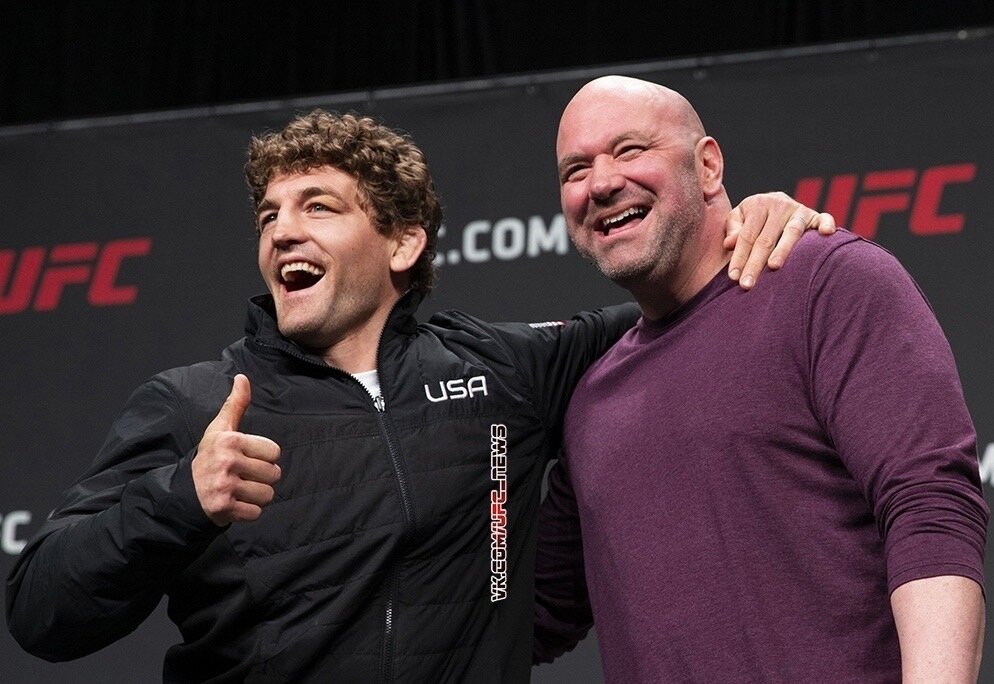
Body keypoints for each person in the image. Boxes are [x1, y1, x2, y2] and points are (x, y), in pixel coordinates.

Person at [6, 109, 831, 682]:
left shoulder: (506, 371)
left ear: (403, 244)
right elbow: (41, 613)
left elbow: (684, 295)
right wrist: (177, 499)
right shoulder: (198, 406)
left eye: (318, 207)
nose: (282, 231)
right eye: (268, 216)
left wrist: (750, 218)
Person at [532, 75, 988, 683]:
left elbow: (928, 506)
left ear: (708, 166)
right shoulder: (591, 399)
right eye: (576, 170)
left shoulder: (827, 284)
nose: (602, 182)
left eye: (630, 150)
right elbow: (526, 614)